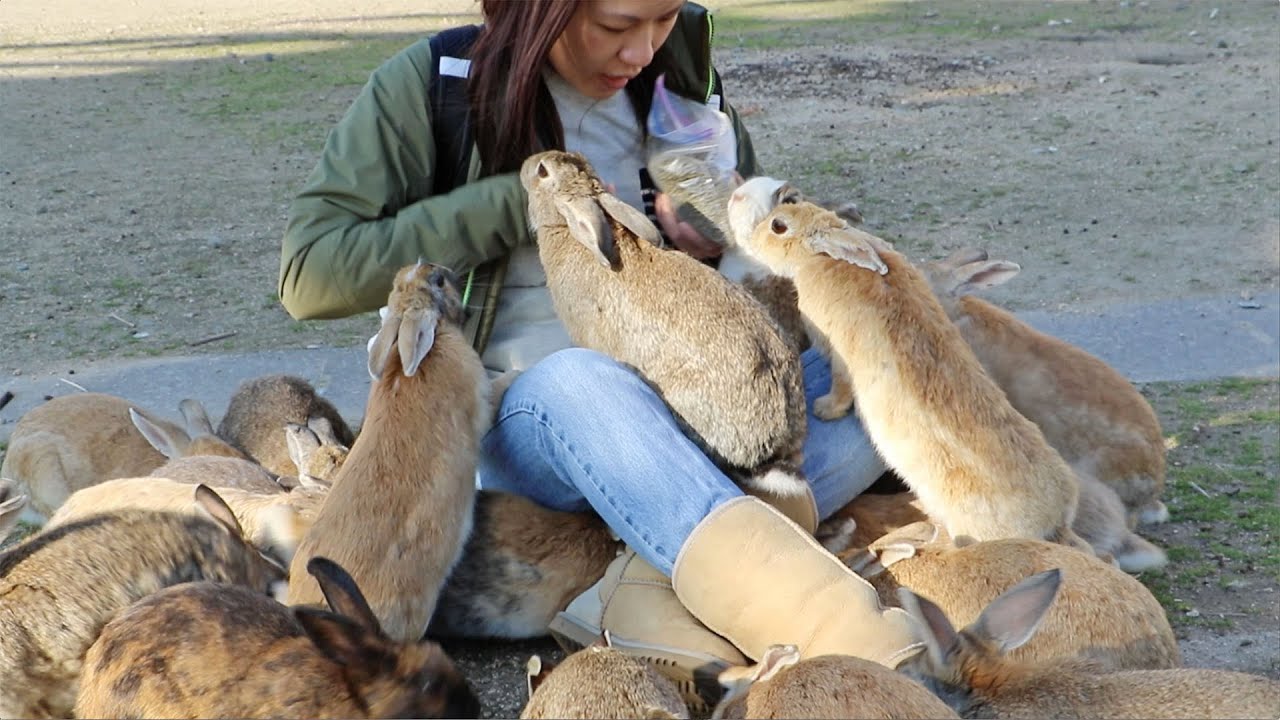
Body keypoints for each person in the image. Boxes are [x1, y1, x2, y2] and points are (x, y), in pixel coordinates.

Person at [279, 0, 920, 709]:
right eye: (616, 26)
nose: (641, 51)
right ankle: (849, 631)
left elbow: (757, 261)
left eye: (663, 18)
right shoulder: (439, 84)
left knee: (903, 333)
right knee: (587, 382)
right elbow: (309, 273)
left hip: (699, 410)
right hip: (530, 419)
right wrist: (513, 206)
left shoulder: (682, 75)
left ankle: (641, 582)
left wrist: (717, 236)